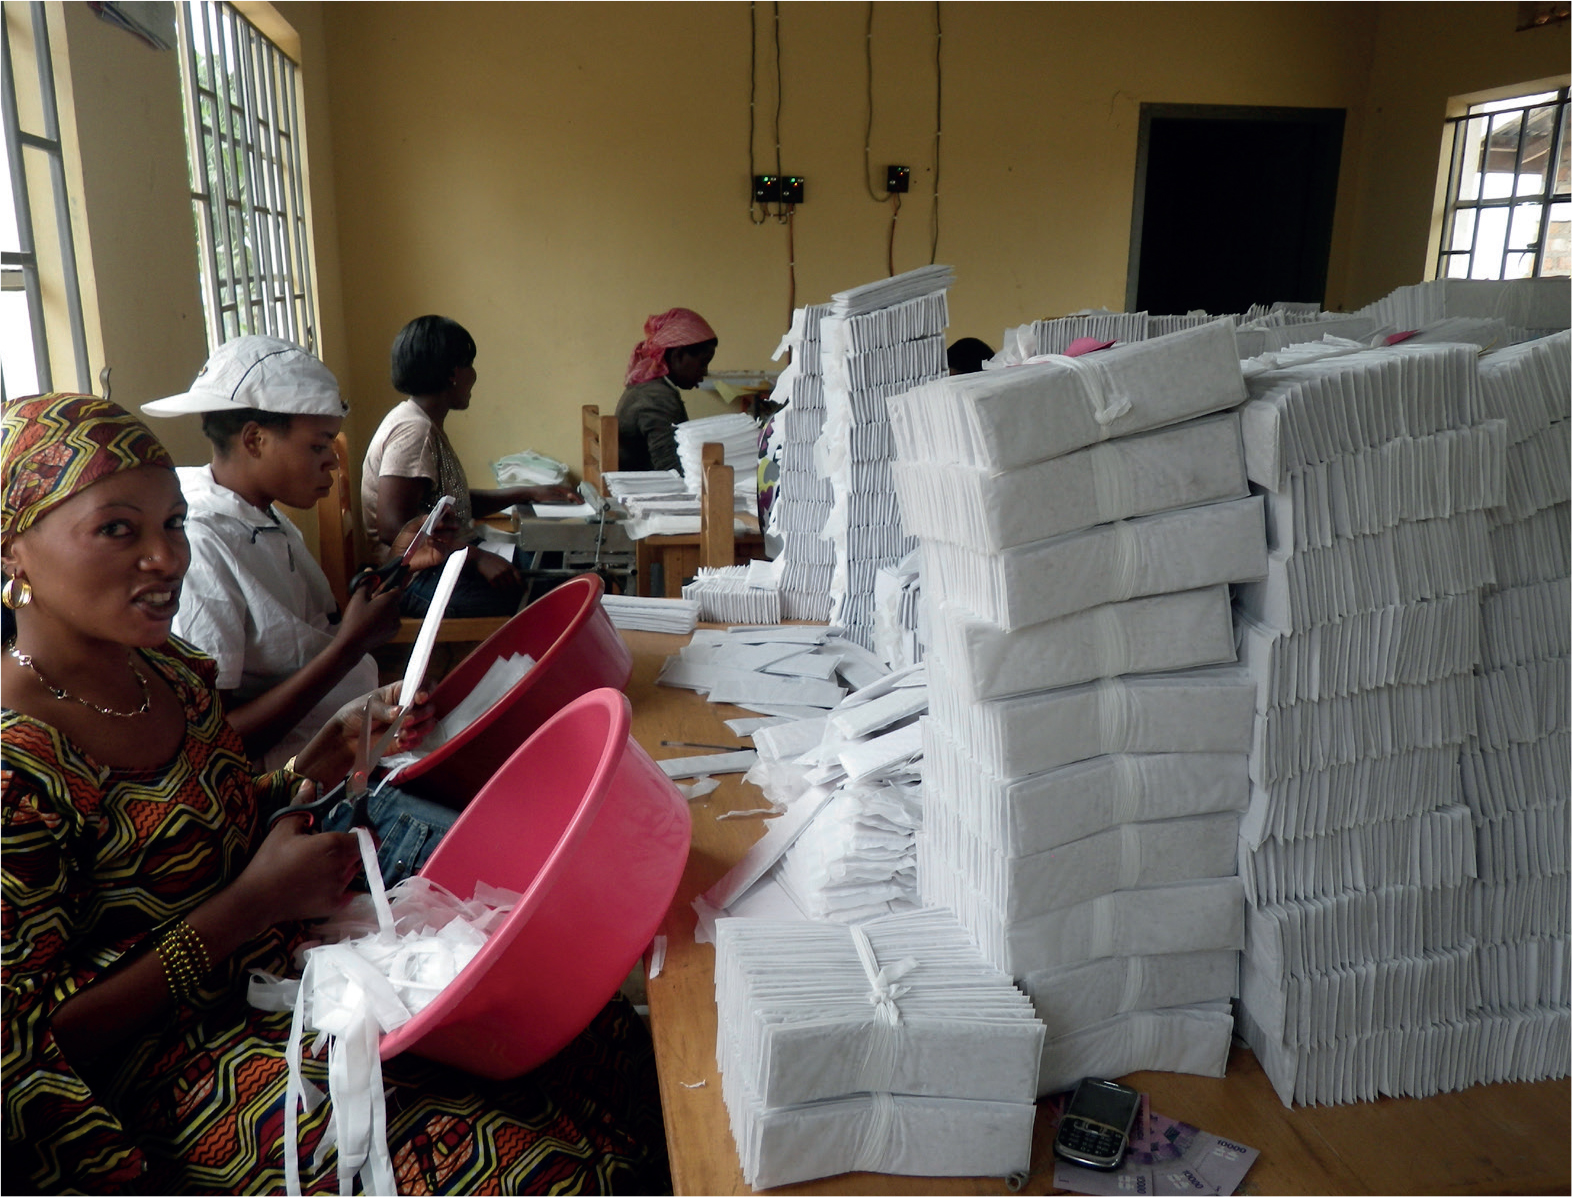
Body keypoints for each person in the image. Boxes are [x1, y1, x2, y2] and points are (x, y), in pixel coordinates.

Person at [1, 394, 669, 1195]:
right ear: (14, 551)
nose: (166, 558)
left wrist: (324, 755)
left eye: (174, 525)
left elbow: (210, 824)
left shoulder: (166, 672)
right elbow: (38, 1040)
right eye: (119, 529)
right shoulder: (17, 759)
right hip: (169, 1063)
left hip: (286, 970)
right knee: (524, 1169)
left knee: (599, 1041)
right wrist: (250, 907)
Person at [140, 335, 406, 772]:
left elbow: (310, 633)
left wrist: (398, 562)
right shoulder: (202, 544)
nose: (332, 464)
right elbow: (218, 741)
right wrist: (351, 646)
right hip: (289, 784)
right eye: (318, 446)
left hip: (348, 736)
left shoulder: (264, 517)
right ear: (255, 440)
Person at [363, 315, 578, 617]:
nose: (474, 376)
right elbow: (392, 527)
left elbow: (455, 506)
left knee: (559, 564)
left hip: (438, 566)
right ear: (453, 373)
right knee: (565, 590)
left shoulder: (421, 421)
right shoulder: (414, 431)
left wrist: (526, 493)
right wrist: (474, 557)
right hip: (414, 580)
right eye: (470, 365)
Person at [614, 307, 718, 473]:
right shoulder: (657, 399)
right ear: (678, 356)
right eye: (702, 363)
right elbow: (670, 470)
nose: (705, 372)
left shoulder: (648, 387)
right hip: (645, 490)